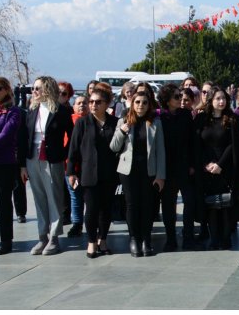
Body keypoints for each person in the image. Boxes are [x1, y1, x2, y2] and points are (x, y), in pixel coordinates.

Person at [19, 76, 74, 256]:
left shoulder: (61, 111)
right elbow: (24, 139)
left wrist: (64, 156)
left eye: (37, 88)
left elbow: (72, 137)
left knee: (54, 197)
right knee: (39, 197)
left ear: (48, 89)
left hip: (52, 158)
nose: (33, 92)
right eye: (33, 89)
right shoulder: (31, 110)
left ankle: (54, 237)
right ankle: (42, 236)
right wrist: (23, 165)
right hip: (32, 156)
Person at [110, 91, 165, 257]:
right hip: (128, 171)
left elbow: (160, 151)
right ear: (132, 104)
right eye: (138, 102)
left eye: (145, 102)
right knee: (132, 204)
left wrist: (161, 175)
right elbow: (113, 146)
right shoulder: (124, 121)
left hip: (149, 170)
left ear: (149, 105)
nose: (141, 105)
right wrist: (122, 130)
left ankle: (146, 239)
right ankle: (134, 238)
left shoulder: (155, 123)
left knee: (148, 205)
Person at [67, 88, 119, 258]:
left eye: (98, 102)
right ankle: (91, 241)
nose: (93, 105)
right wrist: (71, 173)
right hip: (88, 173)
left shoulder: (115, 122)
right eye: (91, 102)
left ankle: (103, 239)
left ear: (107, 104)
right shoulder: (82, 123)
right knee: (91, 209)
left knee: (106, 209)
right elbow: (73, 149)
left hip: (110, 173)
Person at [193, 87, 239, 250]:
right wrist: (206, 164)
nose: (221, 102)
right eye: (218, 99)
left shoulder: (232, 119)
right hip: (206, 169)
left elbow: (233, 145)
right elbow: (197, 144)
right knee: (211, 205)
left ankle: (226, 238)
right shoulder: (201, 119)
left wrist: (220, 165)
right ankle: (214, 238)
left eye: (224, 99)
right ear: (211, 101)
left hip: (225, 169)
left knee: (226, 204)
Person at [156, 84, 198, 251]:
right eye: (176, 97)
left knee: (189, 201)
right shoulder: (159, 117)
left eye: (180, 96)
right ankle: (171, 238)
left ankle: (188, 236)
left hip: (185, 166)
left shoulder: (185, 115)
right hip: (166, 168)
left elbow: (192, 142)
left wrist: (193, 164)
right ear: (166, 100)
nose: (180, 99)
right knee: (168, 205)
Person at [0, 77, 22, 255]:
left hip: (3, 163)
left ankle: (6, 241)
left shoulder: (14, 112)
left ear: (6, 89)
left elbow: (6, 136)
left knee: (4, 203)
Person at [64, 90, 88, 238]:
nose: (82, 105)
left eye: (84, 103)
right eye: (78, 103)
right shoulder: (68, 121)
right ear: (73, 107)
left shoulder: (93, 121)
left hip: (89, 167)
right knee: (75, 197)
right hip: (71, 166)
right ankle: (77, 224)